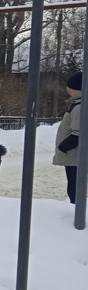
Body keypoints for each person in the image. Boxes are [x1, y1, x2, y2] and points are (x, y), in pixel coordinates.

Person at [53, 71, 82, 203]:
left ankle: (75, 212)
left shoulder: (79, 107)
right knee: (74, 185)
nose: (67, 89)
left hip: (73, 155)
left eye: (69, 86)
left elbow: (78, 133)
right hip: (73, 155)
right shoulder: (77, 104)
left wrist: (64, 146)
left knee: (74, 188)